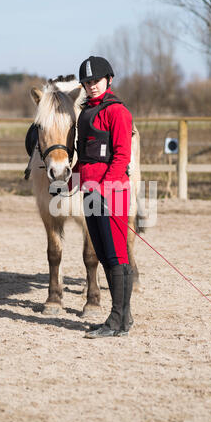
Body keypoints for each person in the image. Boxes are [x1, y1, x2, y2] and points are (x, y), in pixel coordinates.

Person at [73, 55, 134, 338]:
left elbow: (121, 156)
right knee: (104, 253)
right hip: (90, 193)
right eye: (86, 83)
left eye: (95, 81)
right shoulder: (86, 112)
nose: (91, 86)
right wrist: (70, 182)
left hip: (112, 194)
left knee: (116, 255)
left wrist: (106, 189)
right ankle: (122, 318)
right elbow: (84, 158)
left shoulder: (117, 112)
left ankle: (117, 319)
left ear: (108, 79)